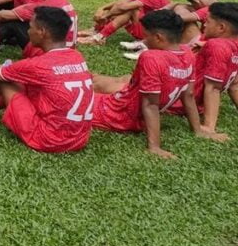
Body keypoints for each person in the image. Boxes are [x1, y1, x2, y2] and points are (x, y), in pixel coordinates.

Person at [0, 7, 94, 153]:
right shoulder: (77, 56)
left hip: (48, 139)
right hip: (79, 139)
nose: (28, 31)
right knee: (21, 79)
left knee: (1, 79)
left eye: (30, 27)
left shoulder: (39, 64)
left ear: (42, 32)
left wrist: (1, 69)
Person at [89, 10, 225, 159]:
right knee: (101, 82)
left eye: (146, 36)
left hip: (117, 114)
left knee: (67, 96)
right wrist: (197, 130)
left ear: (159, 37)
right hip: (127, 107)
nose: (144, 41)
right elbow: (188, 95)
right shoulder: (187, 53)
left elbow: (150, 104)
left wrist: (155, 147)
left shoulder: (151, 57)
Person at [167, 2, 238, 134]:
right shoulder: (233, 44)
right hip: (183, 92)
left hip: (176, 99)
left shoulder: (217, 46)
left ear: (221, 27)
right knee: (124, 80)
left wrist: (209, 127)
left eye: (208, 21)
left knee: (121, 86)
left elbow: (213, 88)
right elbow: (234, 85)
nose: (204, 24)